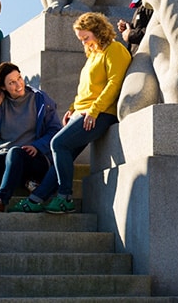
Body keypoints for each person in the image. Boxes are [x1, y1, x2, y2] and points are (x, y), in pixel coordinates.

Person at [11, 12, 131, 213]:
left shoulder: (114, 50)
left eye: (86, 37)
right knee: (62, 153)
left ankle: (65, 197)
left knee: (57, 143)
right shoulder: (93, 54)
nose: (83, 42)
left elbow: (114, 84)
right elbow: (85, 88)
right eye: (81, 38)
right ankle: (36, 199)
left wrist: (93, 111)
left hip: (100, 114)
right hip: (83, 112)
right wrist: (72, 108)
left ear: (98, 31)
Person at [0, 62, 62, 213]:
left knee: (15, 152)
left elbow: (55, 130)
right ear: (3, 87)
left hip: (33, 157)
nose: (18, 84)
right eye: (11, 83)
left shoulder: (39, 99)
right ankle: (26, 182)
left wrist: (38, 146)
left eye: (19, 78)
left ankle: (1, 199)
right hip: (5, 158)